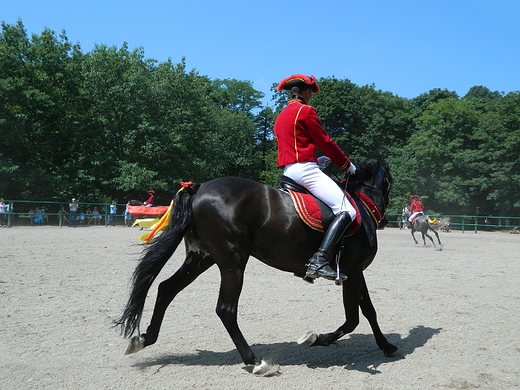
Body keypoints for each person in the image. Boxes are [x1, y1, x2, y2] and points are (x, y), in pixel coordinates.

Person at [273, 74, 357, 282]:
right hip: (305, 172)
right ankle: (320, 260)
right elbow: (325, 141)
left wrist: (316, 161)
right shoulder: (306, 111)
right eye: (311, 94)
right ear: (306, 92)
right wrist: (347, 165)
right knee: (347, 210)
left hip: (288, 172)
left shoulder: (281, 116)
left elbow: (292, 148)